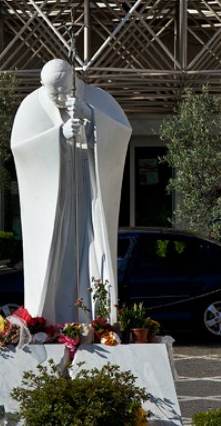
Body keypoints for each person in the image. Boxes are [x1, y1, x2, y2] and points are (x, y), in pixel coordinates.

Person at [11, 58, 132, 324]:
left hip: (89, 194)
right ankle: (50, 318)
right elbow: (21, 148)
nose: (55, 96)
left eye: (61, 89)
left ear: (73, 81)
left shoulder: (99, 100)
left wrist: (92, 117)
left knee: (92, 246)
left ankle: (95, 316)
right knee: (57, 254)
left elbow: (121, 135)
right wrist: (59, 136)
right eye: (50, 90)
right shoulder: (32, 105)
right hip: (57, 200)